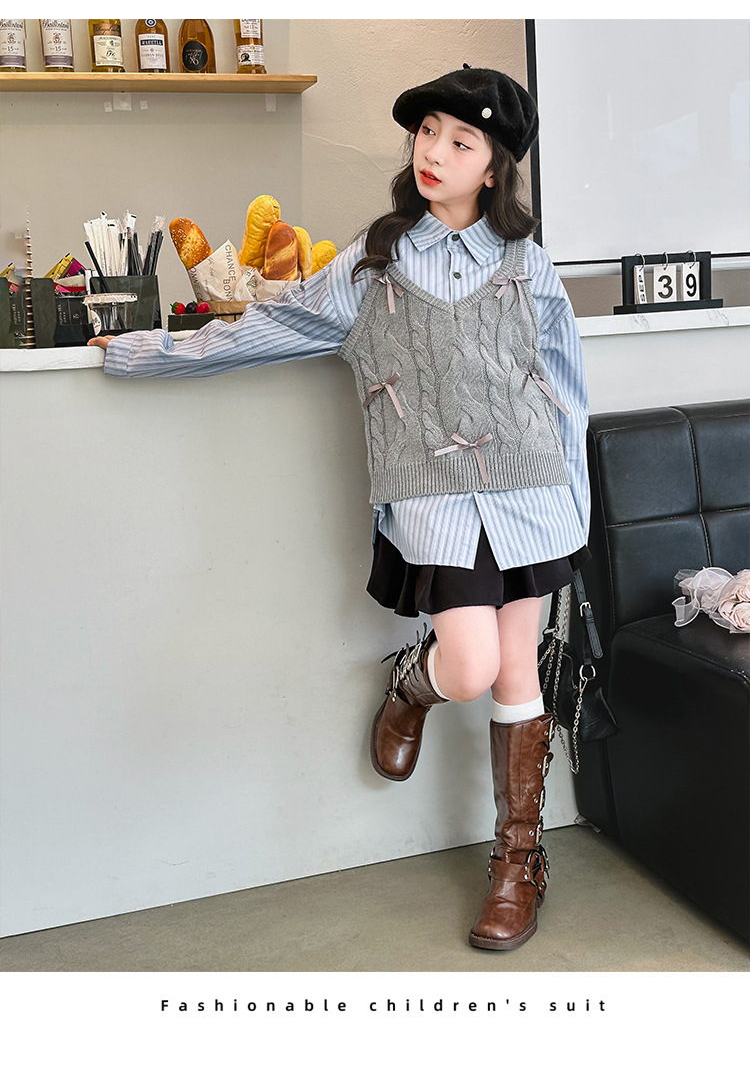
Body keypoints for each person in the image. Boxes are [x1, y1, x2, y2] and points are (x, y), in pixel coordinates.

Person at [89, 65, 591, 952]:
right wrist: (142, 350)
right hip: (434, 497)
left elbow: (566, 391)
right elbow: (269, 327)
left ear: (495, 167)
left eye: (461, 141)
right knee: (469, 666)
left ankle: (518, 864)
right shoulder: (374, 261)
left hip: (532, 493)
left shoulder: (530, 265)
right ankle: (412, 684)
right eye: (428, 132)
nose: (435, 152)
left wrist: (574, 506)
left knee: (519, 671)